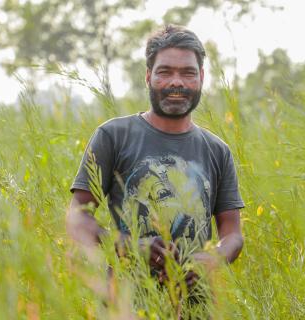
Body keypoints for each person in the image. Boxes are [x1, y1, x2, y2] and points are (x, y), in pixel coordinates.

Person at [66, 25, 244, 293]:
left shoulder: (217, 150)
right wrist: (125, 246)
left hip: (196, 306)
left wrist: (211, 260)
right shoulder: (113, 136)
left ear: (201, 77)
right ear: (148, 76)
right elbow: (77, 217)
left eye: (188, 73)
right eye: (165, 72)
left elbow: (232, 234)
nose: (177, 82)